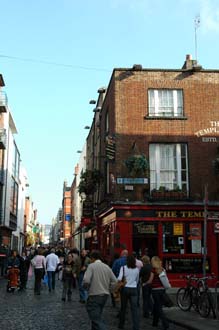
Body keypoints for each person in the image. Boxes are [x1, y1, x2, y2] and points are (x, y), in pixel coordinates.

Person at [83, 250, 117, 330]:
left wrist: (85, 287)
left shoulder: (91, 266)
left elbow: (86, 280)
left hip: (94, 295)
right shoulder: (106, 267)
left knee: (96, 320)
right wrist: (109, 289)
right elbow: (115, 281)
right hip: (104, 296)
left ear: (92, 258)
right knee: (96, 316)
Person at [147, 256, 169, 330]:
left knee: (159, 308)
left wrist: (145, 283)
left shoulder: (153, 270)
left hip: (155, 290)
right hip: (162, 290)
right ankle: (155, 322)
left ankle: (165, 323)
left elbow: (150, 280)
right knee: (157, 306)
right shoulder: (162, 269)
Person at [118, 254, 139, 330]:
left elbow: (119, 279)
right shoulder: (136, 269)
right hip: (134, 289)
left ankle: (121, 325)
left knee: (123, 308)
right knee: (135, 309)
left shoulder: (123, 268)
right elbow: (137, 280)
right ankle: (136, 327)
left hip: (125, 289)